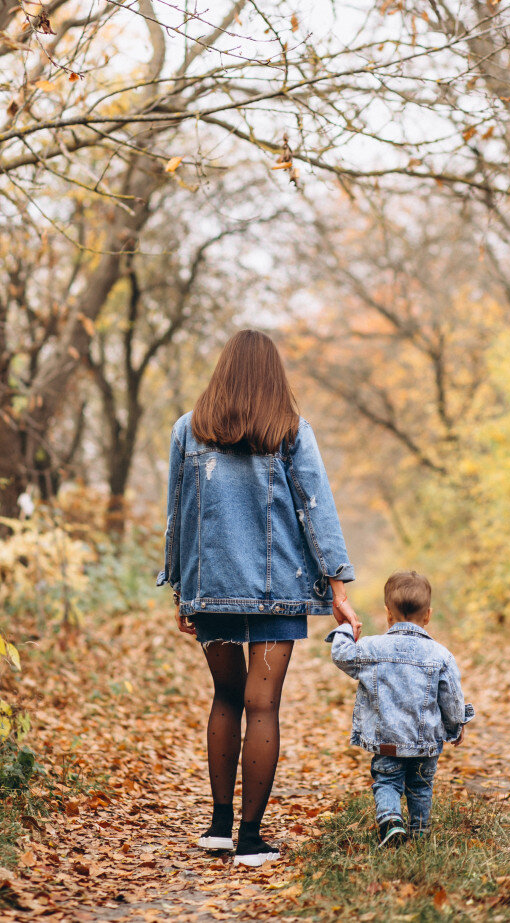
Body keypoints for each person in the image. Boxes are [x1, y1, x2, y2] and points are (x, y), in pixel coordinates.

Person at [156, 329, 361, 867]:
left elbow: (176, 516)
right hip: (279, 591)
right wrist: (338, 586)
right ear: (274, 376)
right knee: (262, 706)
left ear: (222, 371)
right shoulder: (290, 431)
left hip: (211, 592)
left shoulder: (188, 431)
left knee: (225, 699)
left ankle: (218, 828)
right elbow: (317, 510)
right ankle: (250, 839)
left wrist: (181, 587)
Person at [326, 570, 474, 847]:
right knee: (420, 786)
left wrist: (346, 627)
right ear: (428, 615)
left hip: (387, 741)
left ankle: (392, 822)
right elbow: (452, 698)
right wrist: (456, 727)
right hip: (425, 743)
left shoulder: (372, 648)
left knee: (386, 781)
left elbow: (341, 654)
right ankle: (419, 835)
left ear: (388, 614)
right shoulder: (441, 655)